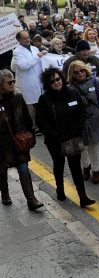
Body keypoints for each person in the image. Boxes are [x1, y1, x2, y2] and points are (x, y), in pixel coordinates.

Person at [35, 68, 95, 207]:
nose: (56, 83)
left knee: (75, 167)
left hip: (72, 138)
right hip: (55, 141)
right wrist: (54, 134)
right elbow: (40, 121)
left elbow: (82, 111)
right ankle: (60, 189)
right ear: (47, 84)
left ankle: (83, 196)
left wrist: (78, 128)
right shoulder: (44, 99)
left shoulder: (72, 92)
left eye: (58, 79)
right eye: (52, 81)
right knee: (59, 164)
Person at [0, 69, 44, 210]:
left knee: (24, 170)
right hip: (3, 146)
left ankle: (31, 200)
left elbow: (27, 119)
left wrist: (30, 136)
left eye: (13, 81)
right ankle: (5, 194)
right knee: (2, 171)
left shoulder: (18, 98)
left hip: (20, 143)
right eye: (9, 82)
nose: (12, 84)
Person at [68, 61, 99, 185]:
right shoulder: (70, 88)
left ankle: (96, 170)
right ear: (72, 74)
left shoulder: (95, 81)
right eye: (76, 72)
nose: (80, 73)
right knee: (83, 148)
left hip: (95, 119)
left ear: (86, 70)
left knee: (95, 145)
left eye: (82, 70)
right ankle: (86, 166)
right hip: (80, 123)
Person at [12, 30, 45, 127]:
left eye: (28, 37)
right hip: (29, 82)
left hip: (39, 80)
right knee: (33, 106)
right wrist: (37, 57)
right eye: (24, 38)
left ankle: (42, 124)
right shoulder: (17, 52)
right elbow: (23, 65)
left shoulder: (34, 48)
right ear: (19, 40)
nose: (27, 40)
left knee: (41, 104)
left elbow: (40, 63)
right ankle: (35, 126)